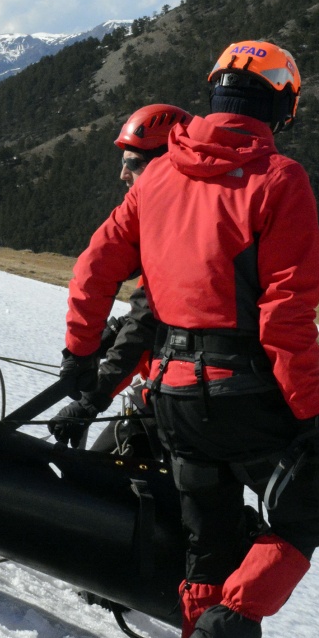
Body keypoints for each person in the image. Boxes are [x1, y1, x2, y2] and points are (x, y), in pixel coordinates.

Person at [57, 40, 319, 638]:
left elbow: (96, 266)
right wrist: (313, 413)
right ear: (283, 104)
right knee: (302, 520)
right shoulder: (279, 179)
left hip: (173, 393)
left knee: (209, 535)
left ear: (214, 92)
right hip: (244, 393)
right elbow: (285, 314)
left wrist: (79, 355)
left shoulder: (157, 176)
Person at [48, 104, 191, 455]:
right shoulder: (173, 214)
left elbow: (149, 319)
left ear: (164, 166)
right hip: (178, 388)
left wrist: (92, 392)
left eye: (132, 164)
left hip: (181, 399)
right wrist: (105, 337)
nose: (123, 175)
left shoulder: (175, 229)